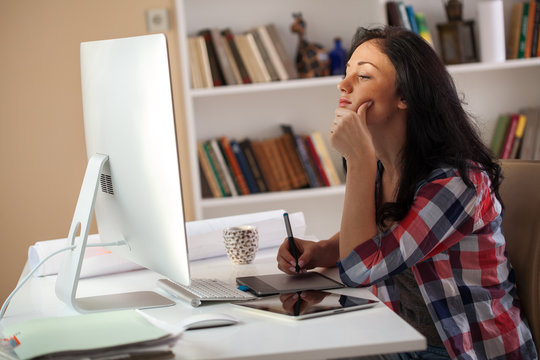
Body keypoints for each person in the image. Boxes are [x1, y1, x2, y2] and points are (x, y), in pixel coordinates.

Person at [276, 26, 537, 360]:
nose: (343, 85)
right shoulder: (385, 168)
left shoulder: (456, 183)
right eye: (346, 74)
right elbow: (386, 237)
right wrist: (323, 250)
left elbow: (361, 270)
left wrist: (359, 160)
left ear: (406, 95)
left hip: (464, 351)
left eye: (364, 76)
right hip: (401, 342)